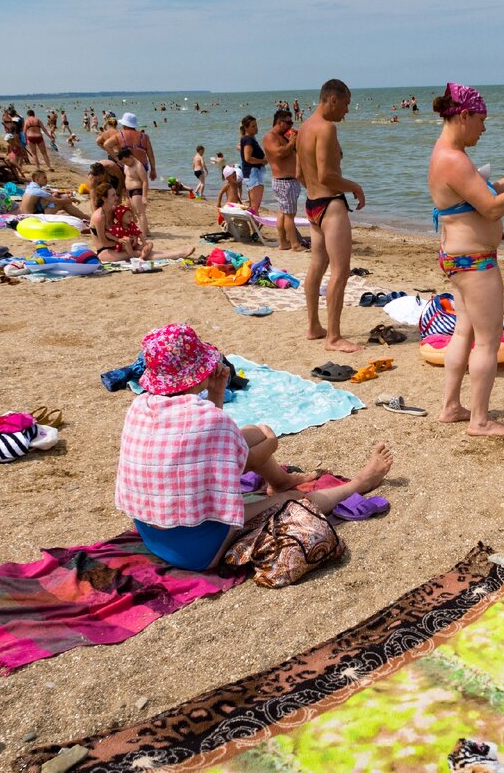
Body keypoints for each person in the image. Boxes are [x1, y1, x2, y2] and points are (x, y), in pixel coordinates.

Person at [115, 323, 394, 571]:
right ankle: (358, 483)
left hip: (152, 531)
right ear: (197, 372)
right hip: (198, 549)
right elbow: (239, 460)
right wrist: (271, 444)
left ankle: (281, 481)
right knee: (293, 500)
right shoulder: (209, 420)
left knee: (251, 433)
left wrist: (216, 393)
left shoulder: (141, 405)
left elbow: (209, 444)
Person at [428, 82, 504, 436]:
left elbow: (485, 190)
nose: (484, 128)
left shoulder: (446, 154)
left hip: (458, 257)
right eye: (481, 120)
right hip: (473, 261)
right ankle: (479, 421)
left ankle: (452, 406)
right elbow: (493, 208)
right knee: (487, 340)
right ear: (463, 116)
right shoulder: (454, 158)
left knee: (464, 330)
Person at [297, 79, 367, 353]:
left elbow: (301, 174)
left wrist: (318, 190)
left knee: (317, 266)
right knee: (341, 270)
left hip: (313, 204)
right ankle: (334, 337)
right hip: (331, 206)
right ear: (333, 100)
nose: (347, 111)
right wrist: (355, 187)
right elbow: (328, 175)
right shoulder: (326, 128)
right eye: (346, 104)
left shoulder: (303, 129)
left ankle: (314, 326)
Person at [89, 182, 190, 262]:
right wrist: (123, 242)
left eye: (116, 194)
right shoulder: (99, 217)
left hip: (120, 245)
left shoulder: (113, 209)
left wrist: (133, 238)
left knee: (146, 248)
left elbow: (125, 224)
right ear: (104, 199)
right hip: (105, 251)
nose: (116, 197)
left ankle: (176, 254)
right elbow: (104, 243)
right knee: (138, 253)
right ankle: (178, 254)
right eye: (113, 195)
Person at [262, 109, 302, 250]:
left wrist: (294, 141)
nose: (291, 125)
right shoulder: (270, 137)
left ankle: (283, 243)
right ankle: (295, 244)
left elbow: (291, 151)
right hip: (284, 181)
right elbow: (279, 153)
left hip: (288, 180)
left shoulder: (282, 136)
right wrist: (291, 142)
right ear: (279, 122)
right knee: (290, 215)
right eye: (288, 122)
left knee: (283, 212)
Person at [101, 113, 156, 183]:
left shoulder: (119, 135)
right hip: (142, 166)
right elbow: (150, 155)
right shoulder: (144, 136)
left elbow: (106, 145)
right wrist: (153, 170)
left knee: (129, 187)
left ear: (124, 124)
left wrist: (116, 159)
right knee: (141, 187)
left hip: (128, 166)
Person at [20, 170, 89, 220]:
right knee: (63, 203)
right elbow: (57, 201)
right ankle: (85, 217)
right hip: (32, 218)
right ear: (37, 179)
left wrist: (62, 193)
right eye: (44, 178)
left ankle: (82, 216)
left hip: (25, 215)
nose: (46, 180)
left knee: (57, 196)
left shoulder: (30, 187)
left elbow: (46, 191)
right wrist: (71, 199)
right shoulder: (38, 191)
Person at [117, 147, 151, 237]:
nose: (125, 163)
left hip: (137, 190)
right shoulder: (127, 165)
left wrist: (144, 196)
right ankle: (146, 231)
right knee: (133, 212)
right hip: (129, 191)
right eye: (123, 162)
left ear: (131, 156)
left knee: (140, 213)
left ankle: (143, 234)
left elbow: (145, 181)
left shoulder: (138, 166)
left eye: (126, 161)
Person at [239, 115, 267, 213]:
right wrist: (262, 161)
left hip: (251, 173)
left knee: (253, 205)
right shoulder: (248, 140)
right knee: (255, 206)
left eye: (256, 125)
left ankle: (253, 226)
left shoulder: (247, 139)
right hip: (253, 173)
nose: (256, 128)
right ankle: (255, 227)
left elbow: (244, 153)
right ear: (246, 127)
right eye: (253, 126)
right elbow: (248, 158)